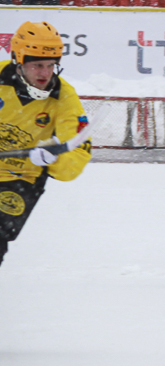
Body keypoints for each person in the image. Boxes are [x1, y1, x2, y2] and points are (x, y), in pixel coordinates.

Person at [0, 22, 92, 267]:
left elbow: (77, 153)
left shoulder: (64, 98)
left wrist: (55, 158)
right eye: (37, 65)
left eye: (51, 65)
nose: (45, 73)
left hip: (21, 179)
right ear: (18, 61)